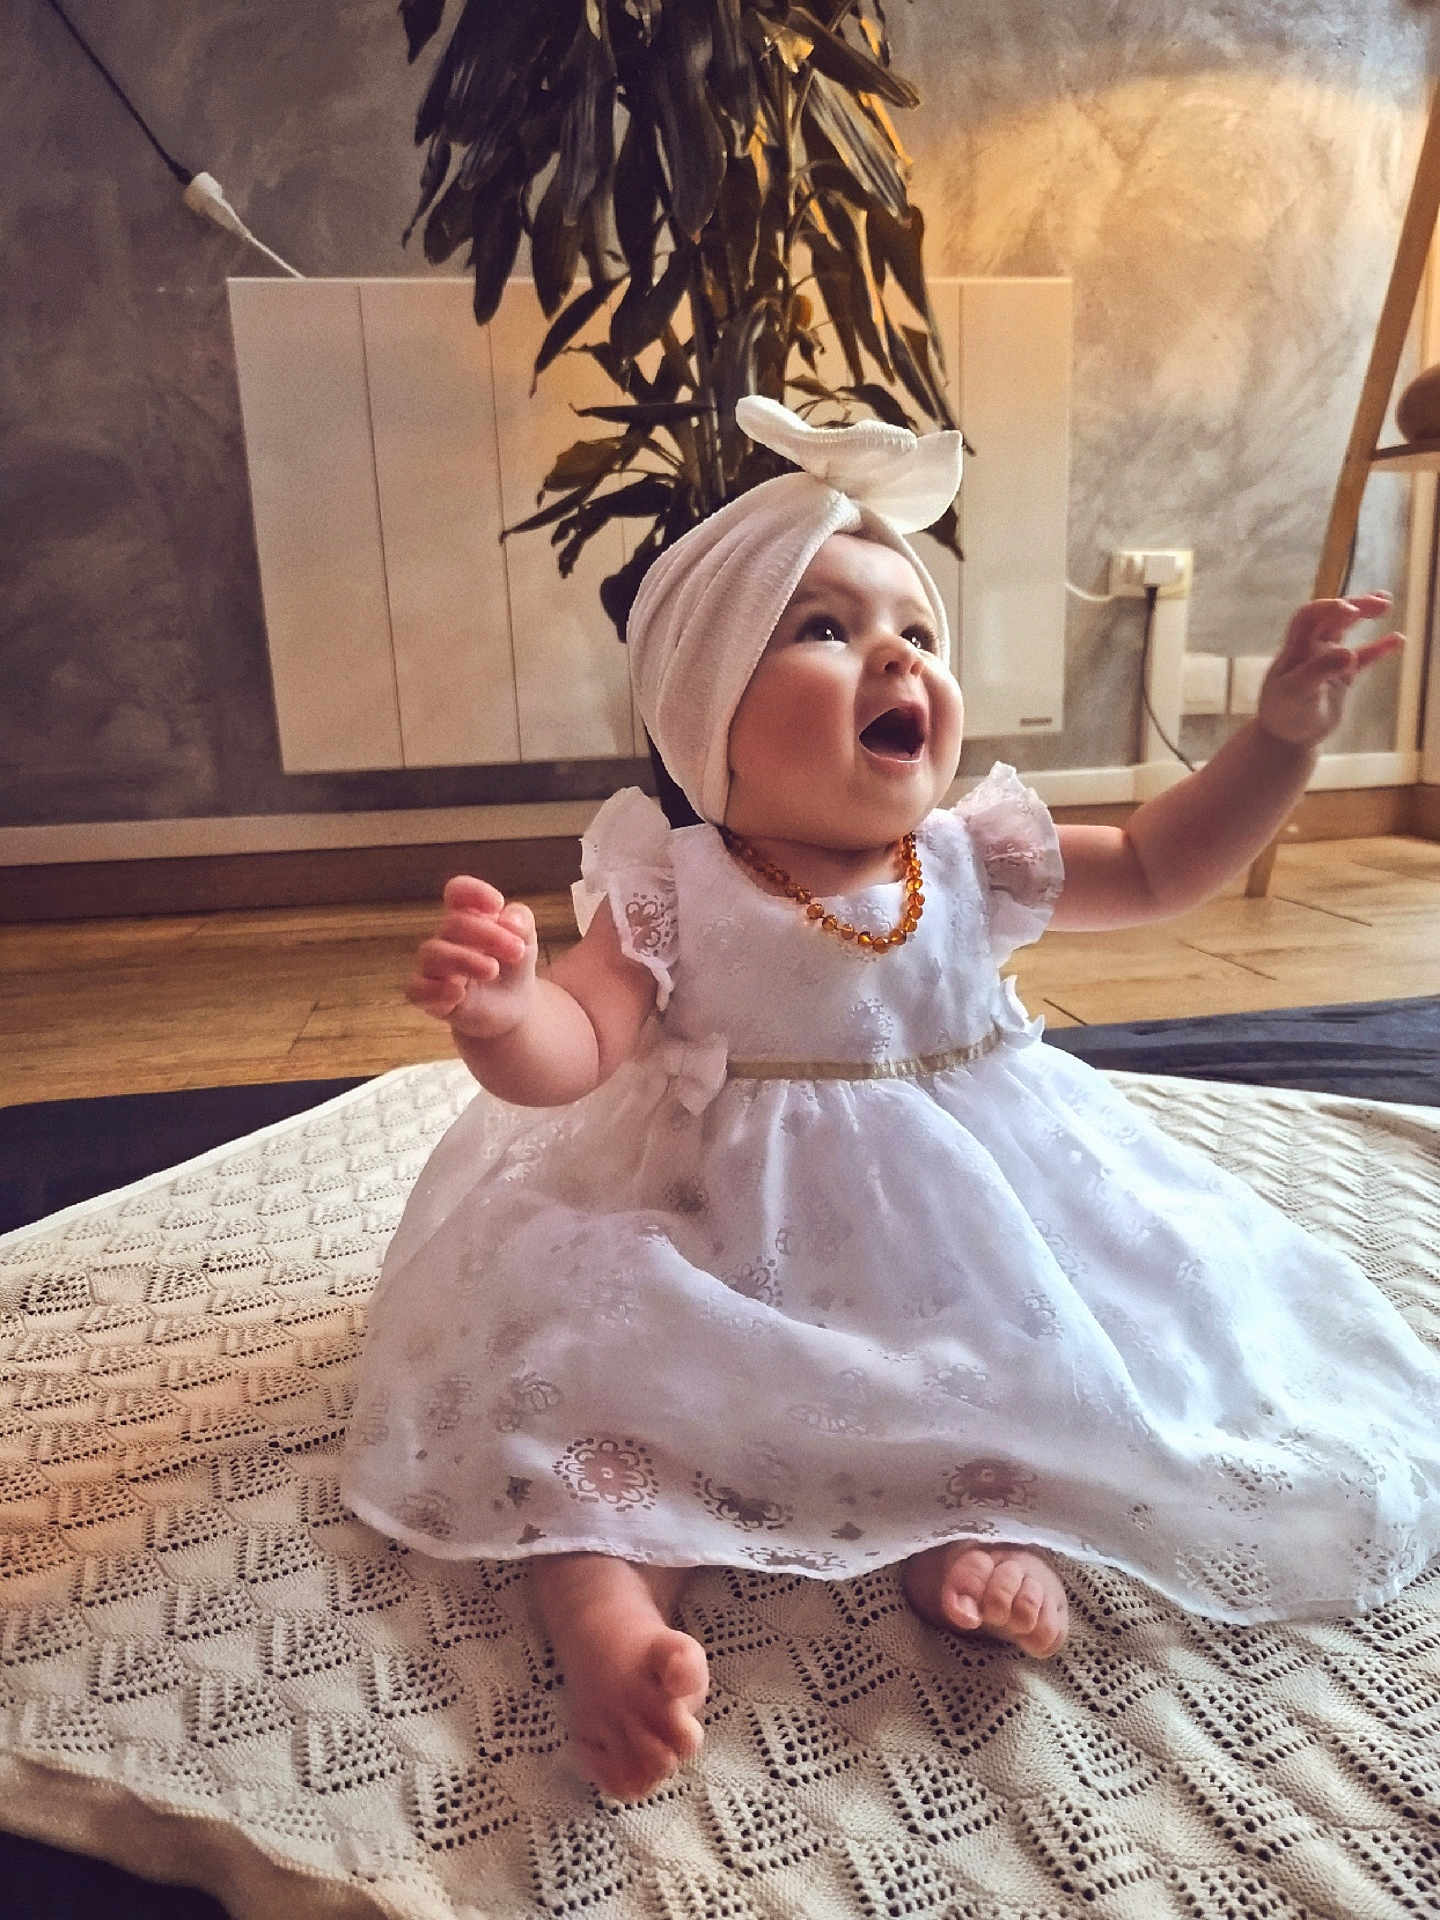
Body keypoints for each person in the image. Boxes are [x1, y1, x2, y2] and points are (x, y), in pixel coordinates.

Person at [341, 396, 1440, 1804]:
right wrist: (503, 1014)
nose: (895, 656)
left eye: (914, 631)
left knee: (1021, 1379)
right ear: (704, 714)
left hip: (951, 1237)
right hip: (727, 1238)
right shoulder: (673, 884)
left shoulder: (973, 857)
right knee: (608, 1412)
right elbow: (579, 1044)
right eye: (824, 628)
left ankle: (964, 1542)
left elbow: (1166, 866)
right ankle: (612, 1618)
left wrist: (1279, 741)